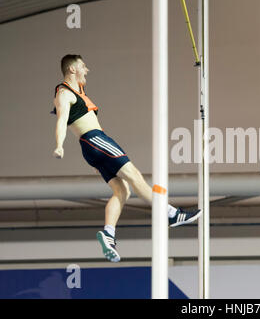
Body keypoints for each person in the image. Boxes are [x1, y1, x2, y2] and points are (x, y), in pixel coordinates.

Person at [51, 54, 201, 262]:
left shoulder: (78, 91)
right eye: (83, 66)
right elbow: (61, 120)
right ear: (72, 69)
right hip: (96, 140)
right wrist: (59, 145)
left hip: (93, 147)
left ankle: (109, 234)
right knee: (134, 175)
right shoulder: (64, 94)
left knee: (123, 190)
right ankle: (171, 214)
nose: (87, 70)